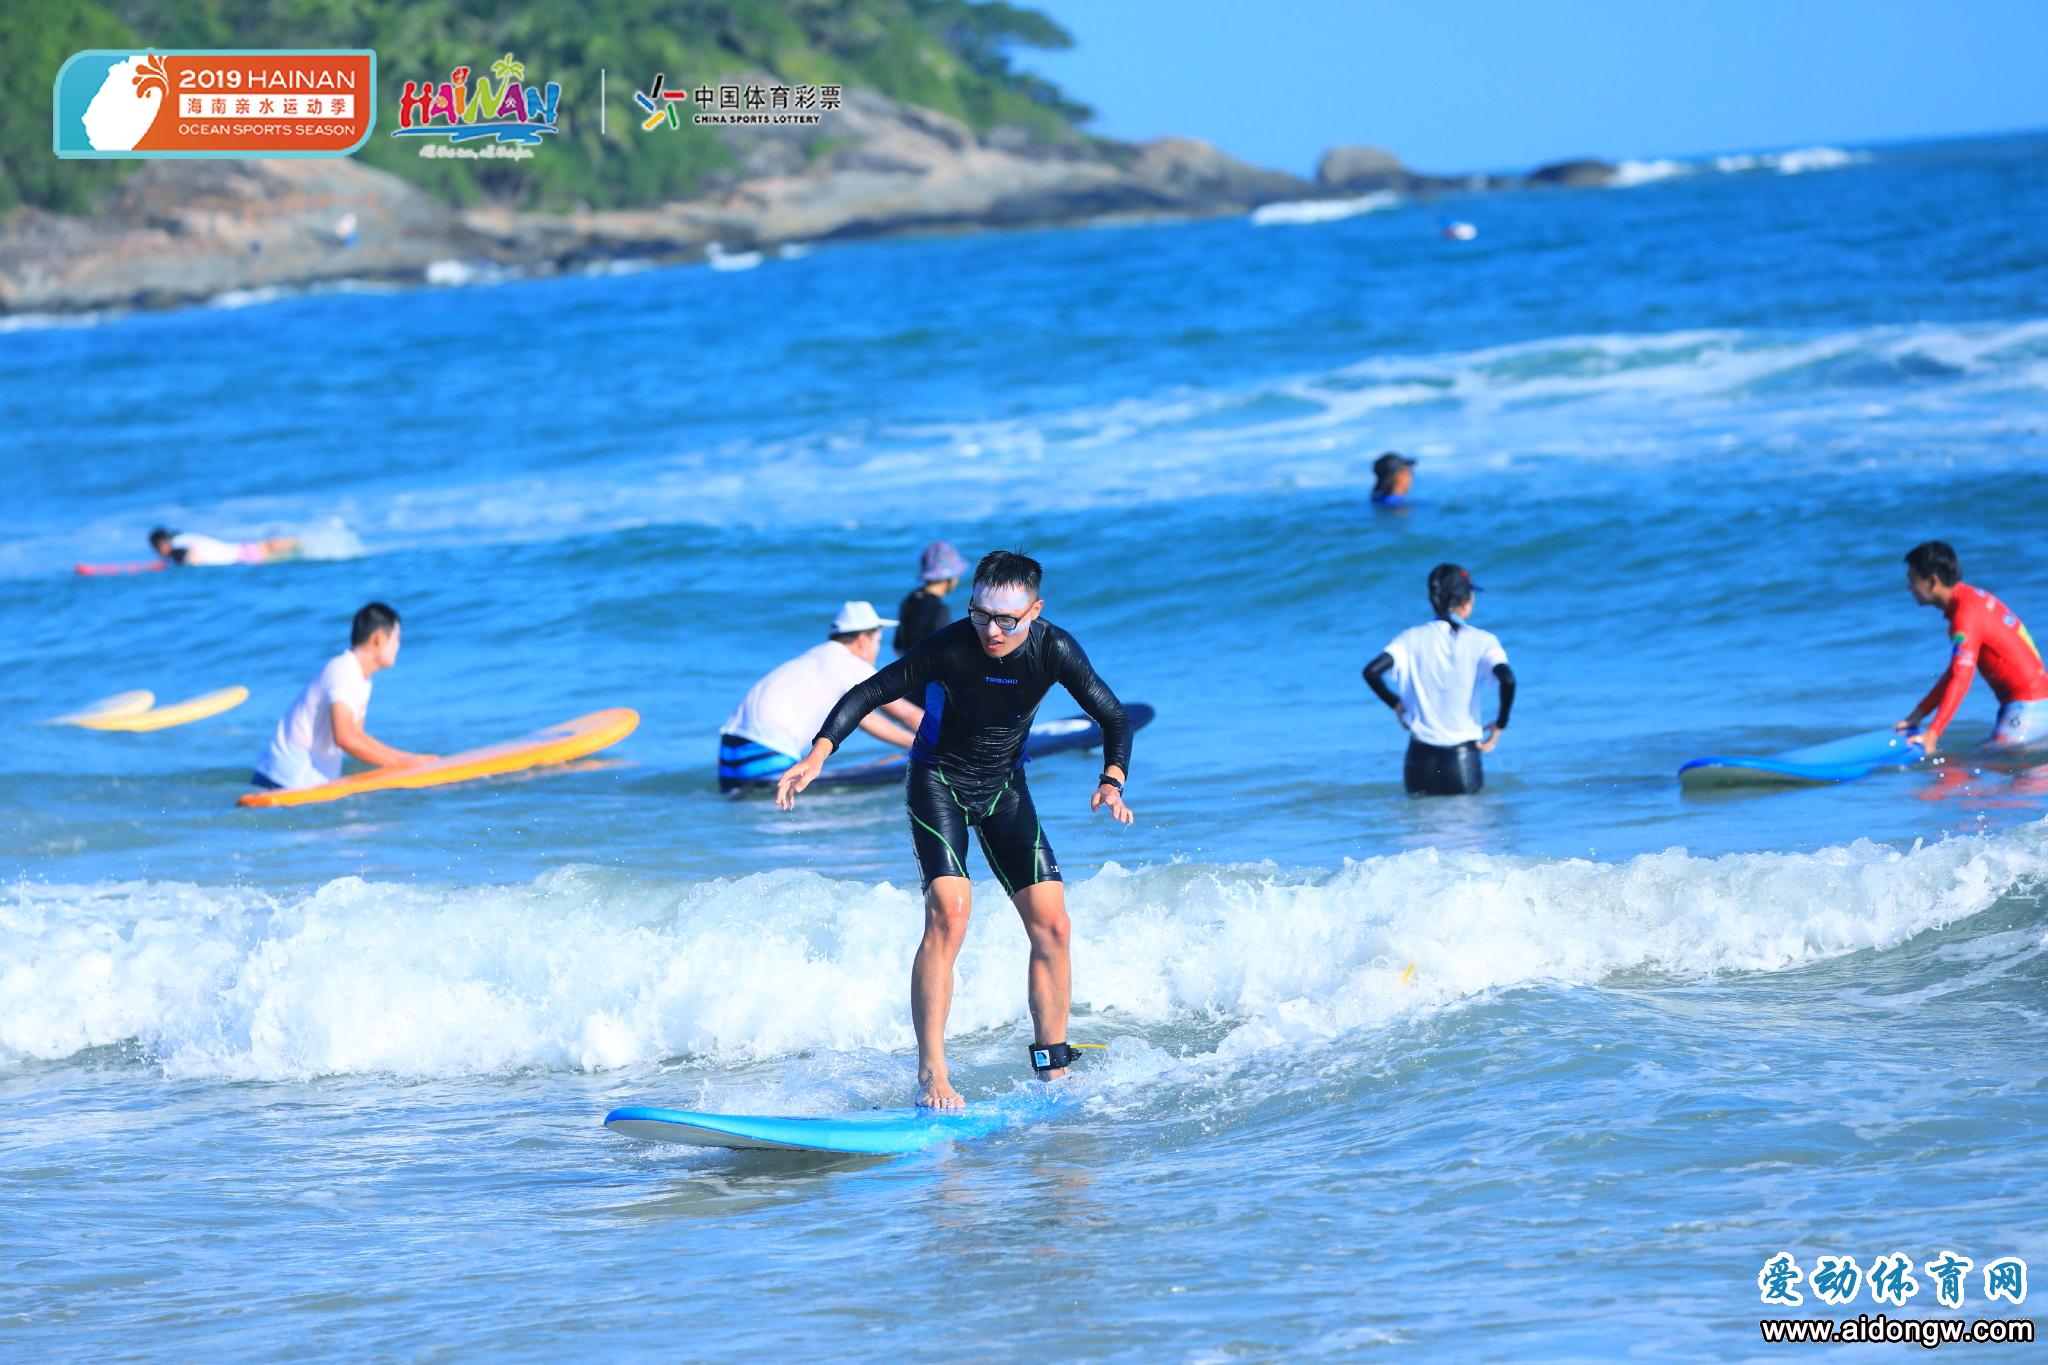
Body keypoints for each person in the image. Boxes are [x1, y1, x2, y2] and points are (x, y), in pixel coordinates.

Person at [775, 551, 1134, 1109]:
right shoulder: (951, 645)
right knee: (950, 914)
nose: (991, 629)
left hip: (1003, 788)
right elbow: (871, 691)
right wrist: (820, 753)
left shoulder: (1054, 649)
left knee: (1054, 926)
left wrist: (1112, 778)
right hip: (937, 781)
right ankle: (932, 1075)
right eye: (980, 613)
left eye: (1007, 620)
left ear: (1034, 611)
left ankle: (1052, 1067)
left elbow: (1114, 717)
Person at [718, 602, 925, 791]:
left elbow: (861, 718)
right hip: (767, 757)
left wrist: (912, 743)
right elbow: (907, 715)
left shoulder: (816, 658)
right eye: (878, 641)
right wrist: (935, 744)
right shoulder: (851, 665)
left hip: (728, 758)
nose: (877, 649)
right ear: (863, 640)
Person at [1363, 564, 1516, 795]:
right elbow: (1508, 680)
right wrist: (1500, 724)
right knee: (1468, 829)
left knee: (1419, 829)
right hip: (1461, 761)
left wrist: (1395, 704)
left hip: (1419, 760)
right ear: (1467, 600)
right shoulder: (1483, 641)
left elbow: (1371, 672)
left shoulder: (1410, 639)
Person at [252, 602, 435, 791]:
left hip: (297, 781)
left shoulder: (362, 679)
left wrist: (403, 762)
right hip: (282, 781)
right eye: (397, 639)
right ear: (379, 639)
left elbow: (357, 737)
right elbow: (346, 737)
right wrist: (405, 761)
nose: (399, 646)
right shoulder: (345, 671)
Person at [1895, 541, 2048, 753]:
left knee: (1975, 764)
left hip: (2028, 710)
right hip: (2035, 705)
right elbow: (1953, 674)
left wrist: (1932, 734)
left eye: (1912, 579)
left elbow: (1961, 677)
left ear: (1932, 581)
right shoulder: (1971, 599)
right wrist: (1916, 717)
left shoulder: (1965, 615)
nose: (1909, 587)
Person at [895, 540, 970, 654]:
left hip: (906, 667)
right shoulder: (939, 609)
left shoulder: (908, 601)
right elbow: (944, 652)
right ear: (949, 578)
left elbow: (898, 646)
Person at [150, 526, 299, 567]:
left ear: (163, 543)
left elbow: (191, 554)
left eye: (157, 547)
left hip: (243, 557)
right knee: (296, 550)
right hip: (243, 552)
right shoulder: (181, 541)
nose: (158, 552)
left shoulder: (177, 545)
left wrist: (191, 565)